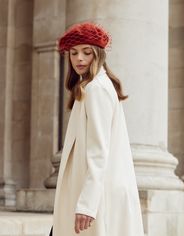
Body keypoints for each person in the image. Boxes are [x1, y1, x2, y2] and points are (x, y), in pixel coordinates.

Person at [52, 22, 144, 236]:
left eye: (86, 52)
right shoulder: (90, 87)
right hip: (95, 193)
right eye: (74, 53)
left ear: (99, 54)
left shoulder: (96, 89)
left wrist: (86, 204)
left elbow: (99, 151)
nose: (79, 59)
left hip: (97, 197)